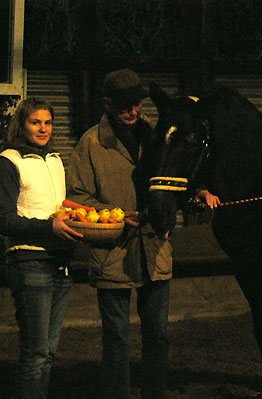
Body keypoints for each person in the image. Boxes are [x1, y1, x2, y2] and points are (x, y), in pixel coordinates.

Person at [66, 69, 173, 399]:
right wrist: (111, 217)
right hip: (113, 250)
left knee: (157, 333)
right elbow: (76, 196)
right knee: (116, 334)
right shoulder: (91, 143)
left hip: (154, 248)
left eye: (138, 105)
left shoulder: (156, 138)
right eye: (126, 106)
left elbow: (171, 183)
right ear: (108, 105)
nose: (133, 112)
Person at [0, 98, 82, 398]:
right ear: (22, 124)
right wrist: (47, 227)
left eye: (48, 122)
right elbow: (4, 221)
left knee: (48, 352)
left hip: (59, 262)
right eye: (35, 122)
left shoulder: (55, 160)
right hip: (29, 262)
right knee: (35, 353)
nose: (43, 129)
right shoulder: (8, 162)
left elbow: (56, 209)